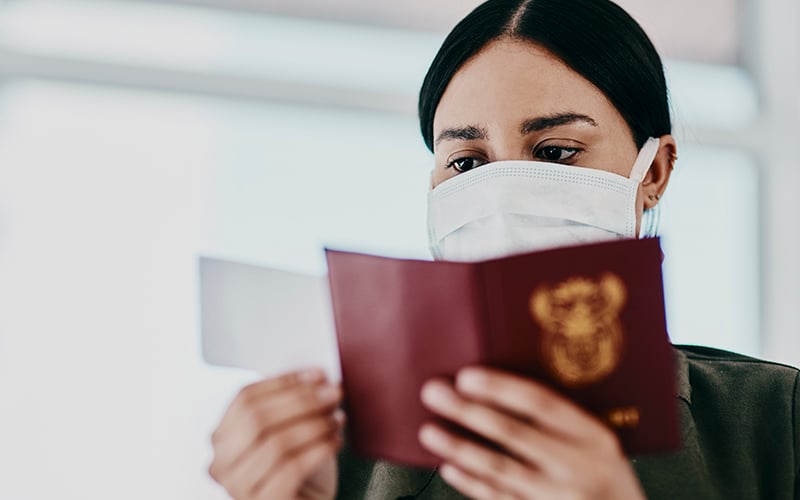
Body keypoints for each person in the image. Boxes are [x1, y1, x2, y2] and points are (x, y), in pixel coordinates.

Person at [208, 0, 800, 498]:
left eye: (556, 151)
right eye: (466, 163)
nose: (502, 192)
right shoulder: (341, 452)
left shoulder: (779, 420)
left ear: (655, 172)